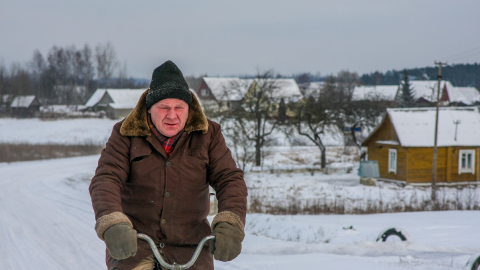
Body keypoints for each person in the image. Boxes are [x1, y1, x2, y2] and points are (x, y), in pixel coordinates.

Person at [89, 60, 248, 270]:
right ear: (149, 110)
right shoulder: (125, 134)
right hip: (136, 245)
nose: (172, 115)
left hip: (191, 247)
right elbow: (106, 179)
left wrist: (231, 222)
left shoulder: (209, 135)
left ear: (189, 109)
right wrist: (112, 222)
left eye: (179, 107)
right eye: (164, 107)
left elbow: (229, 179)